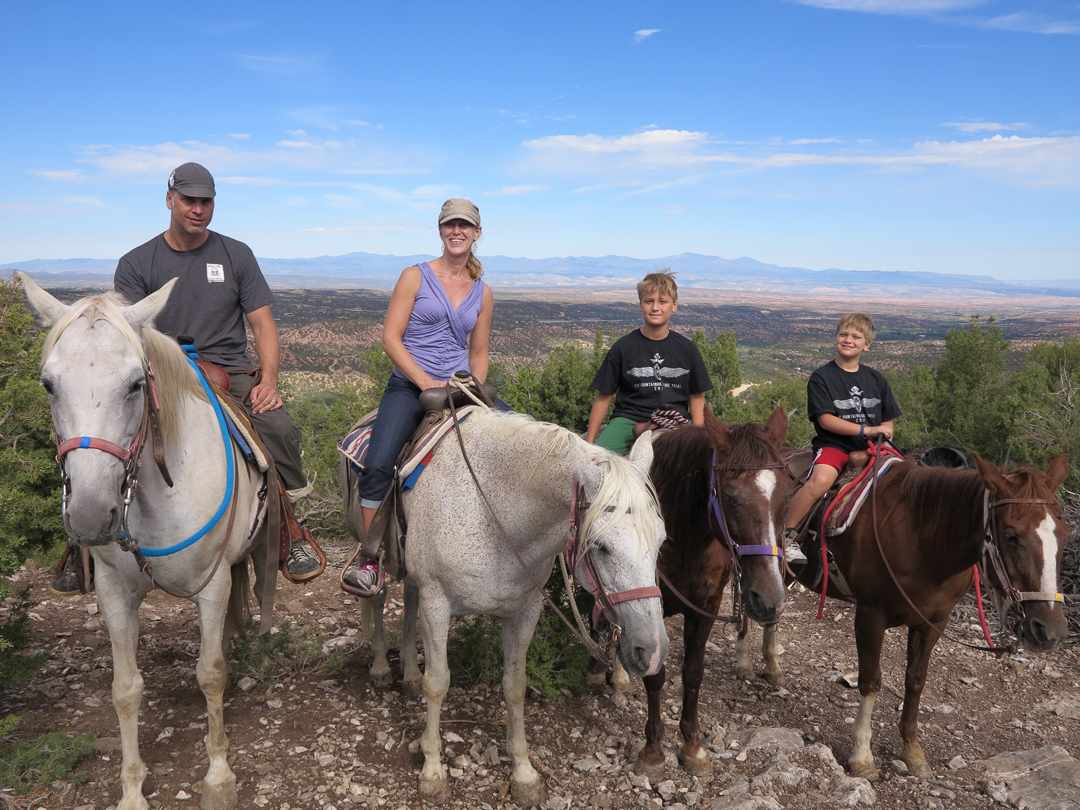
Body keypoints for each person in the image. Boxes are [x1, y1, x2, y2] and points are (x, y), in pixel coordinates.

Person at [49, 162, 321, 595]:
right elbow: (129, 334)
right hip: (162, 371)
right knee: (96, 428)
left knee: (280, 428)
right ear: (170, 199)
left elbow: (263, 325)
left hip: (229, 370)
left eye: (206, 201)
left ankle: (290, 527)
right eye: (190, 200)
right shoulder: (138, 262)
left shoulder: (236, 255)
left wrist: (268, 379)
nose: (198, 209)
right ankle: (81, 546)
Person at [343, 198, 495, 596]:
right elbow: (391, 338)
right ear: (441, 230)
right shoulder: (415, 276)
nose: (457, 231)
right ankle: (371, 559)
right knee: (378, 463)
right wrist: (426, 382)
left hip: (459, 389)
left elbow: (479, 351)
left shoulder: (483, 292)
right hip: (411, 386)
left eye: (465, 226)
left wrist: (472, 389)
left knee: (516, 442)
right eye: (450, 225)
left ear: (477, 233)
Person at [782, 313, 902, 573]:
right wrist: (868, 429)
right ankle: (786, 535)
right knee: (821, 481)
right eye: (843, 334)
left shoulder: (876, 379)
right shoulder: (822, 377)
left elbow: (888, 419)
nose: (849, 340)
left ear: (866, 345)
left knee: (906, 479)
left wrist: (883, 434)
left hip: (874, 447)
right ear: (835, 338)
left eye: (856, 337)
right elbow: (826, 420)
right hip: (834, 444)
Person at [586, 269, 713, 455]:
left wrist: (699, 433)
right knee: (598, 463)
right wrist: (589, 443)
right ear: (640, 305)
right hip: (627, 420)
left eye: (663, 301)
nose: (655, 307)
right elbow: (604, 396)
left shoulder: (687, 349)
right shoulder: (623, 347)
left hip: (677, 422)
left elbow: (696, 396)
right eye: (649, 301)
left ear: (674, 305)